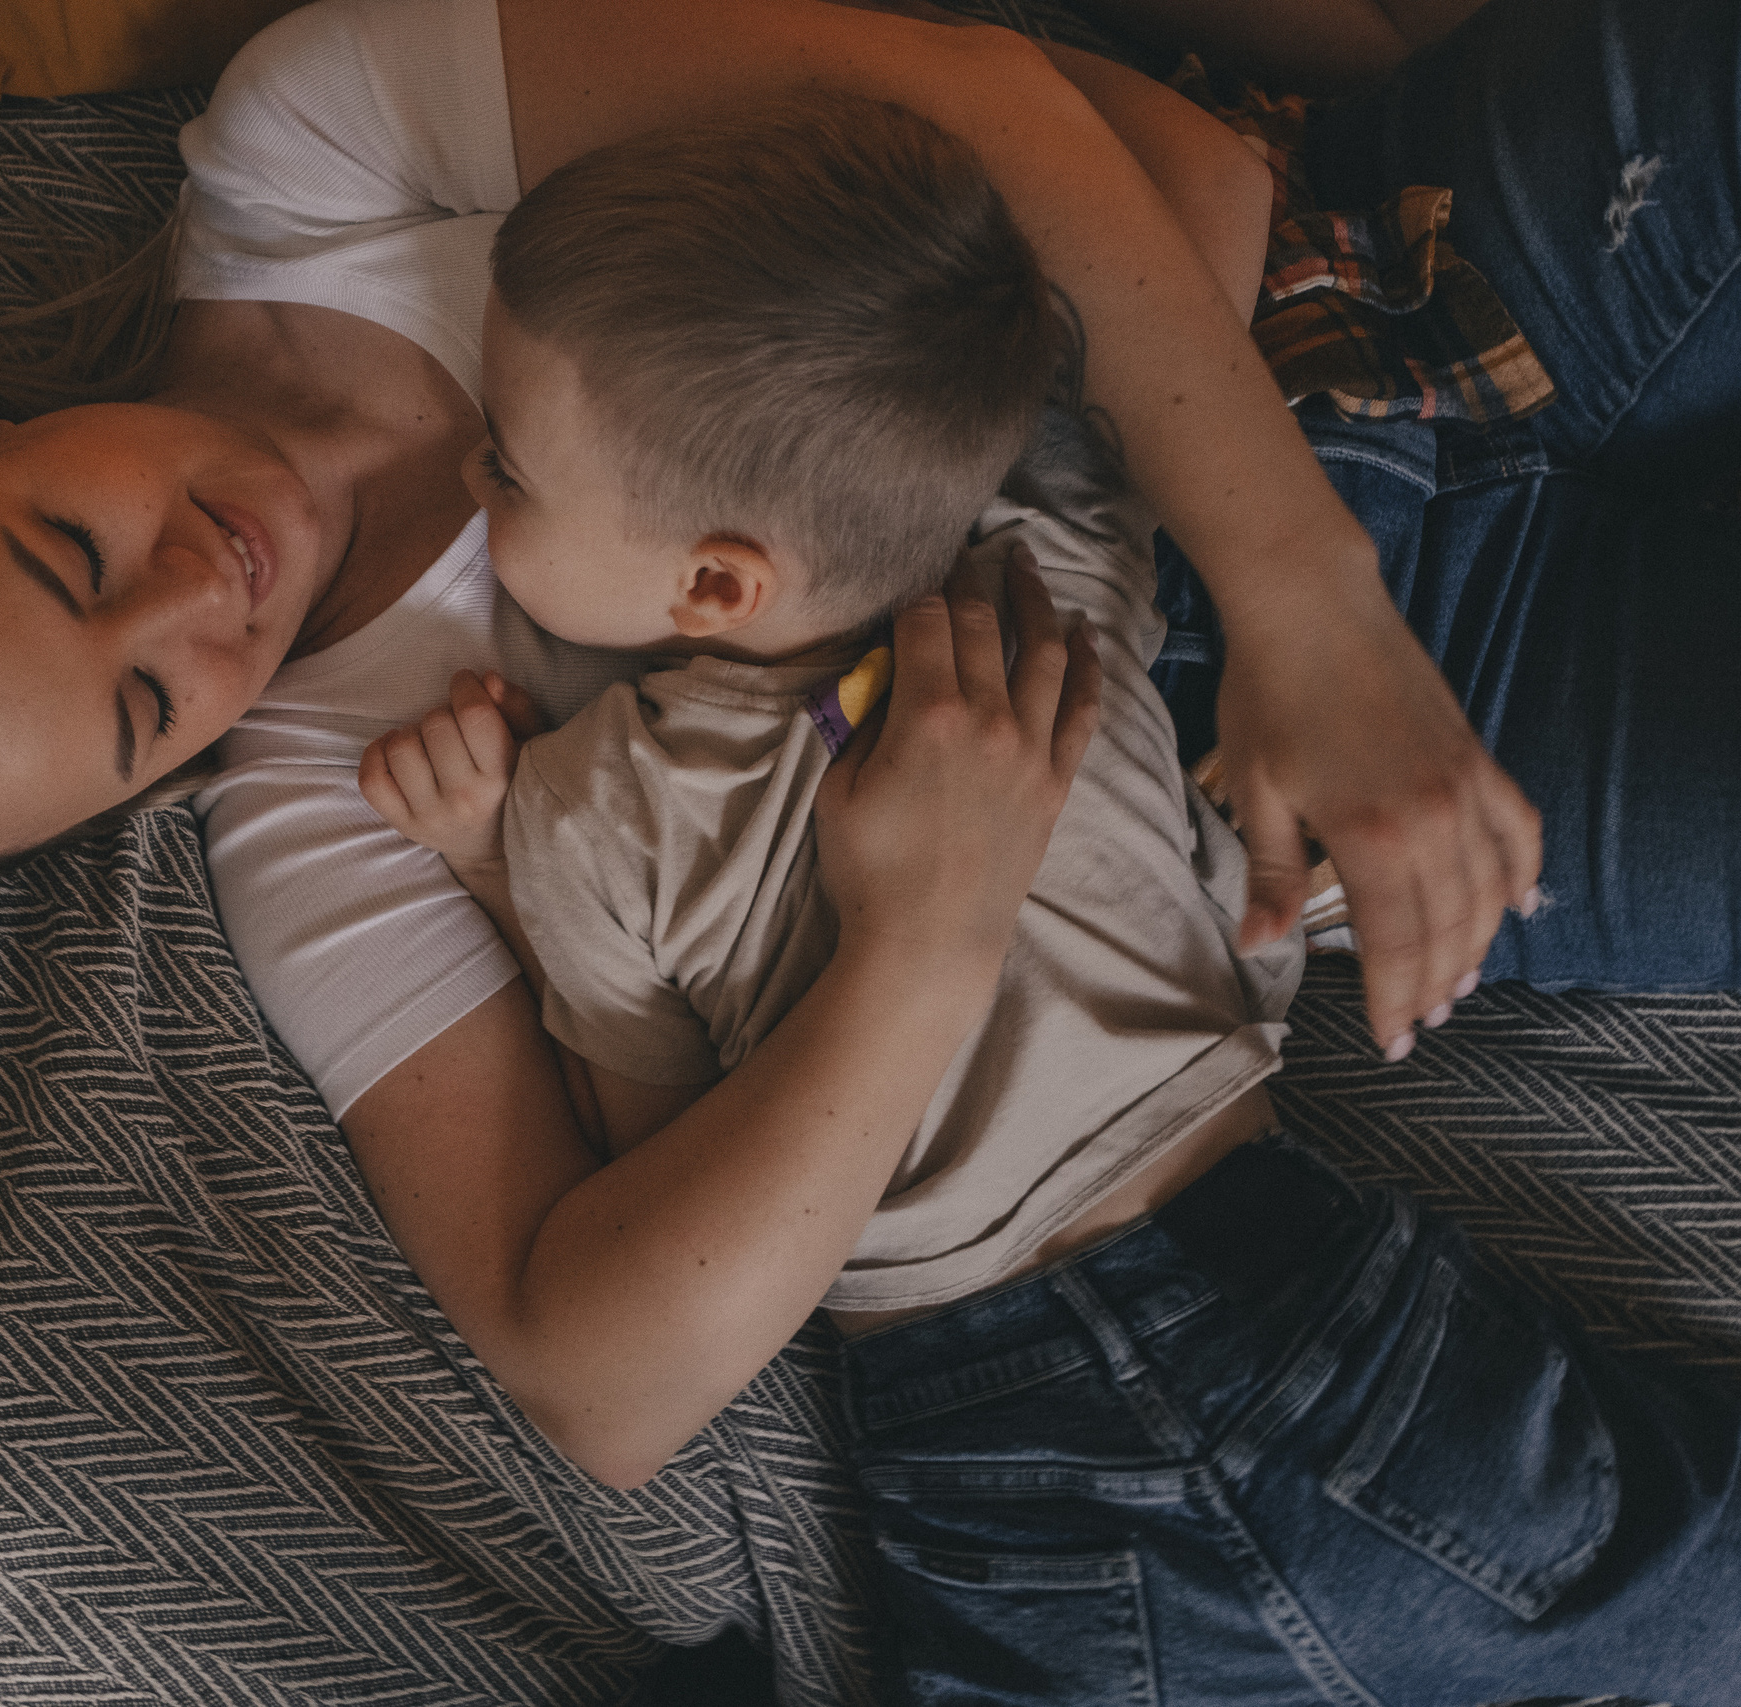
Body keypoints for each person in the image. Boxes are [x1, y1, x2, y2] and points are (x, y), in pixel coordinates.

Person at [355, 99, 1740, 1698]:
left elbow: (649, 1157)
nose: (471, 472)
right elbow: (1126, 304)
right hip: (1295, 1305)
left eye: (507, 466)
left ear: (717, 586)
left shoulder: (594, 816)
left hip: (1007, 1435)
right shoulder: (1057, 576)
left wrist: (483, 857)